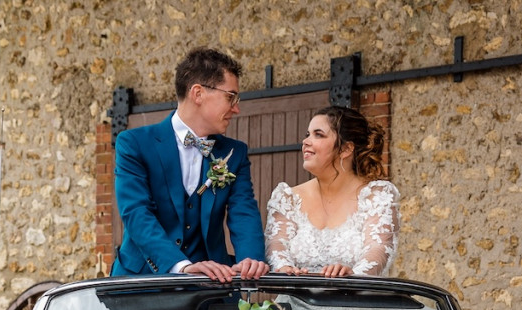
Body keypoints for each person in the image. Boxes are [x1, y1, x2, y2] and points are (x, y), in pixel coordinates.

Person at [111, 47, 269, 283]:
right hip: (141, 283)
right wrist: (181, 266)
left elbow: (243, 212)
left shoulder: (234, 153)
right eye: (230, 97)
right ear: (198, 93)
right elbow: (136, 213)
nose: (236, 108)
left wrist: (251, 259)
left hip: (211, 286)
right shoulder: (134, 144)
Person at [265, 106, 400, 277]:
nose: (306, 142)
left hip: (356, 298)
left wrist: (352, 276)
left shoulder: (377, 195)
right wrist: (286, 270)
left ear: (346, 149)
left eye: (318, 134)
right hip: (297, 297)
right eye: (307, 135)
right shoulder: (287, 198)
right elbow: (276, 244)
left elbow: (379, 250)